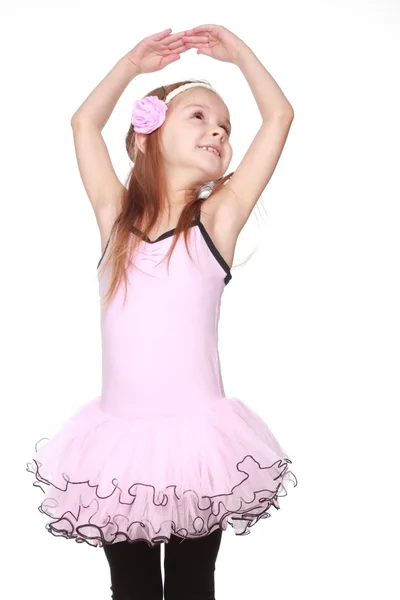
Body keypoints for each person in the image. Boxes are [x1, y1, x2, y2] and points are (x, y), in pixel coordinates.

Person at [27, 24, 298, 600]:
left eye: (225, 126)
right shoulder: (115, 221)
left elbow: (279, 117)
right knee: (131, 588)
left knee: (192, 586)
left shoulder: (215, 221)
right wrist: (131, 64)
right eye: (199, 115)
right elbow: (83, 124)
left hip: (199, 446)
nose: (219, 130)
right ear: (149, 135)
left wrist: (241, 54)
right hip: (117, 447)